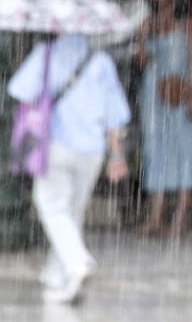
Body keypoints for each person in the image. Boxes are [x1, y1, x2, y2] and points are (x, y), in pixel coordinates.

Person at [8, 33, 131, 304]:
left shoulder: (46, 54)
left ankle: (78, 262)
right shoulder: (101, 60)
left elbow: (20, 92)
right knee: (72, 211)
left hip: (56, 145)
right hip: (93, 150)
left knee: (51, 205)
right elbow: (115, 115)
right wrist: (117, 155)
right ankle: (58, 276)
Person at [134, 0, 192, 237]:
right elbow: (143, 62)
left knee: (186, 147)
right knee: (156, 149)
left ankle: (180, 219)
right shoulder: (149, 24)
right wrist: (140, 38)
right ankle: (155, 217)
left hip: (181, 90)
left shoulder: (189, 23)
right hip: (153, 92)